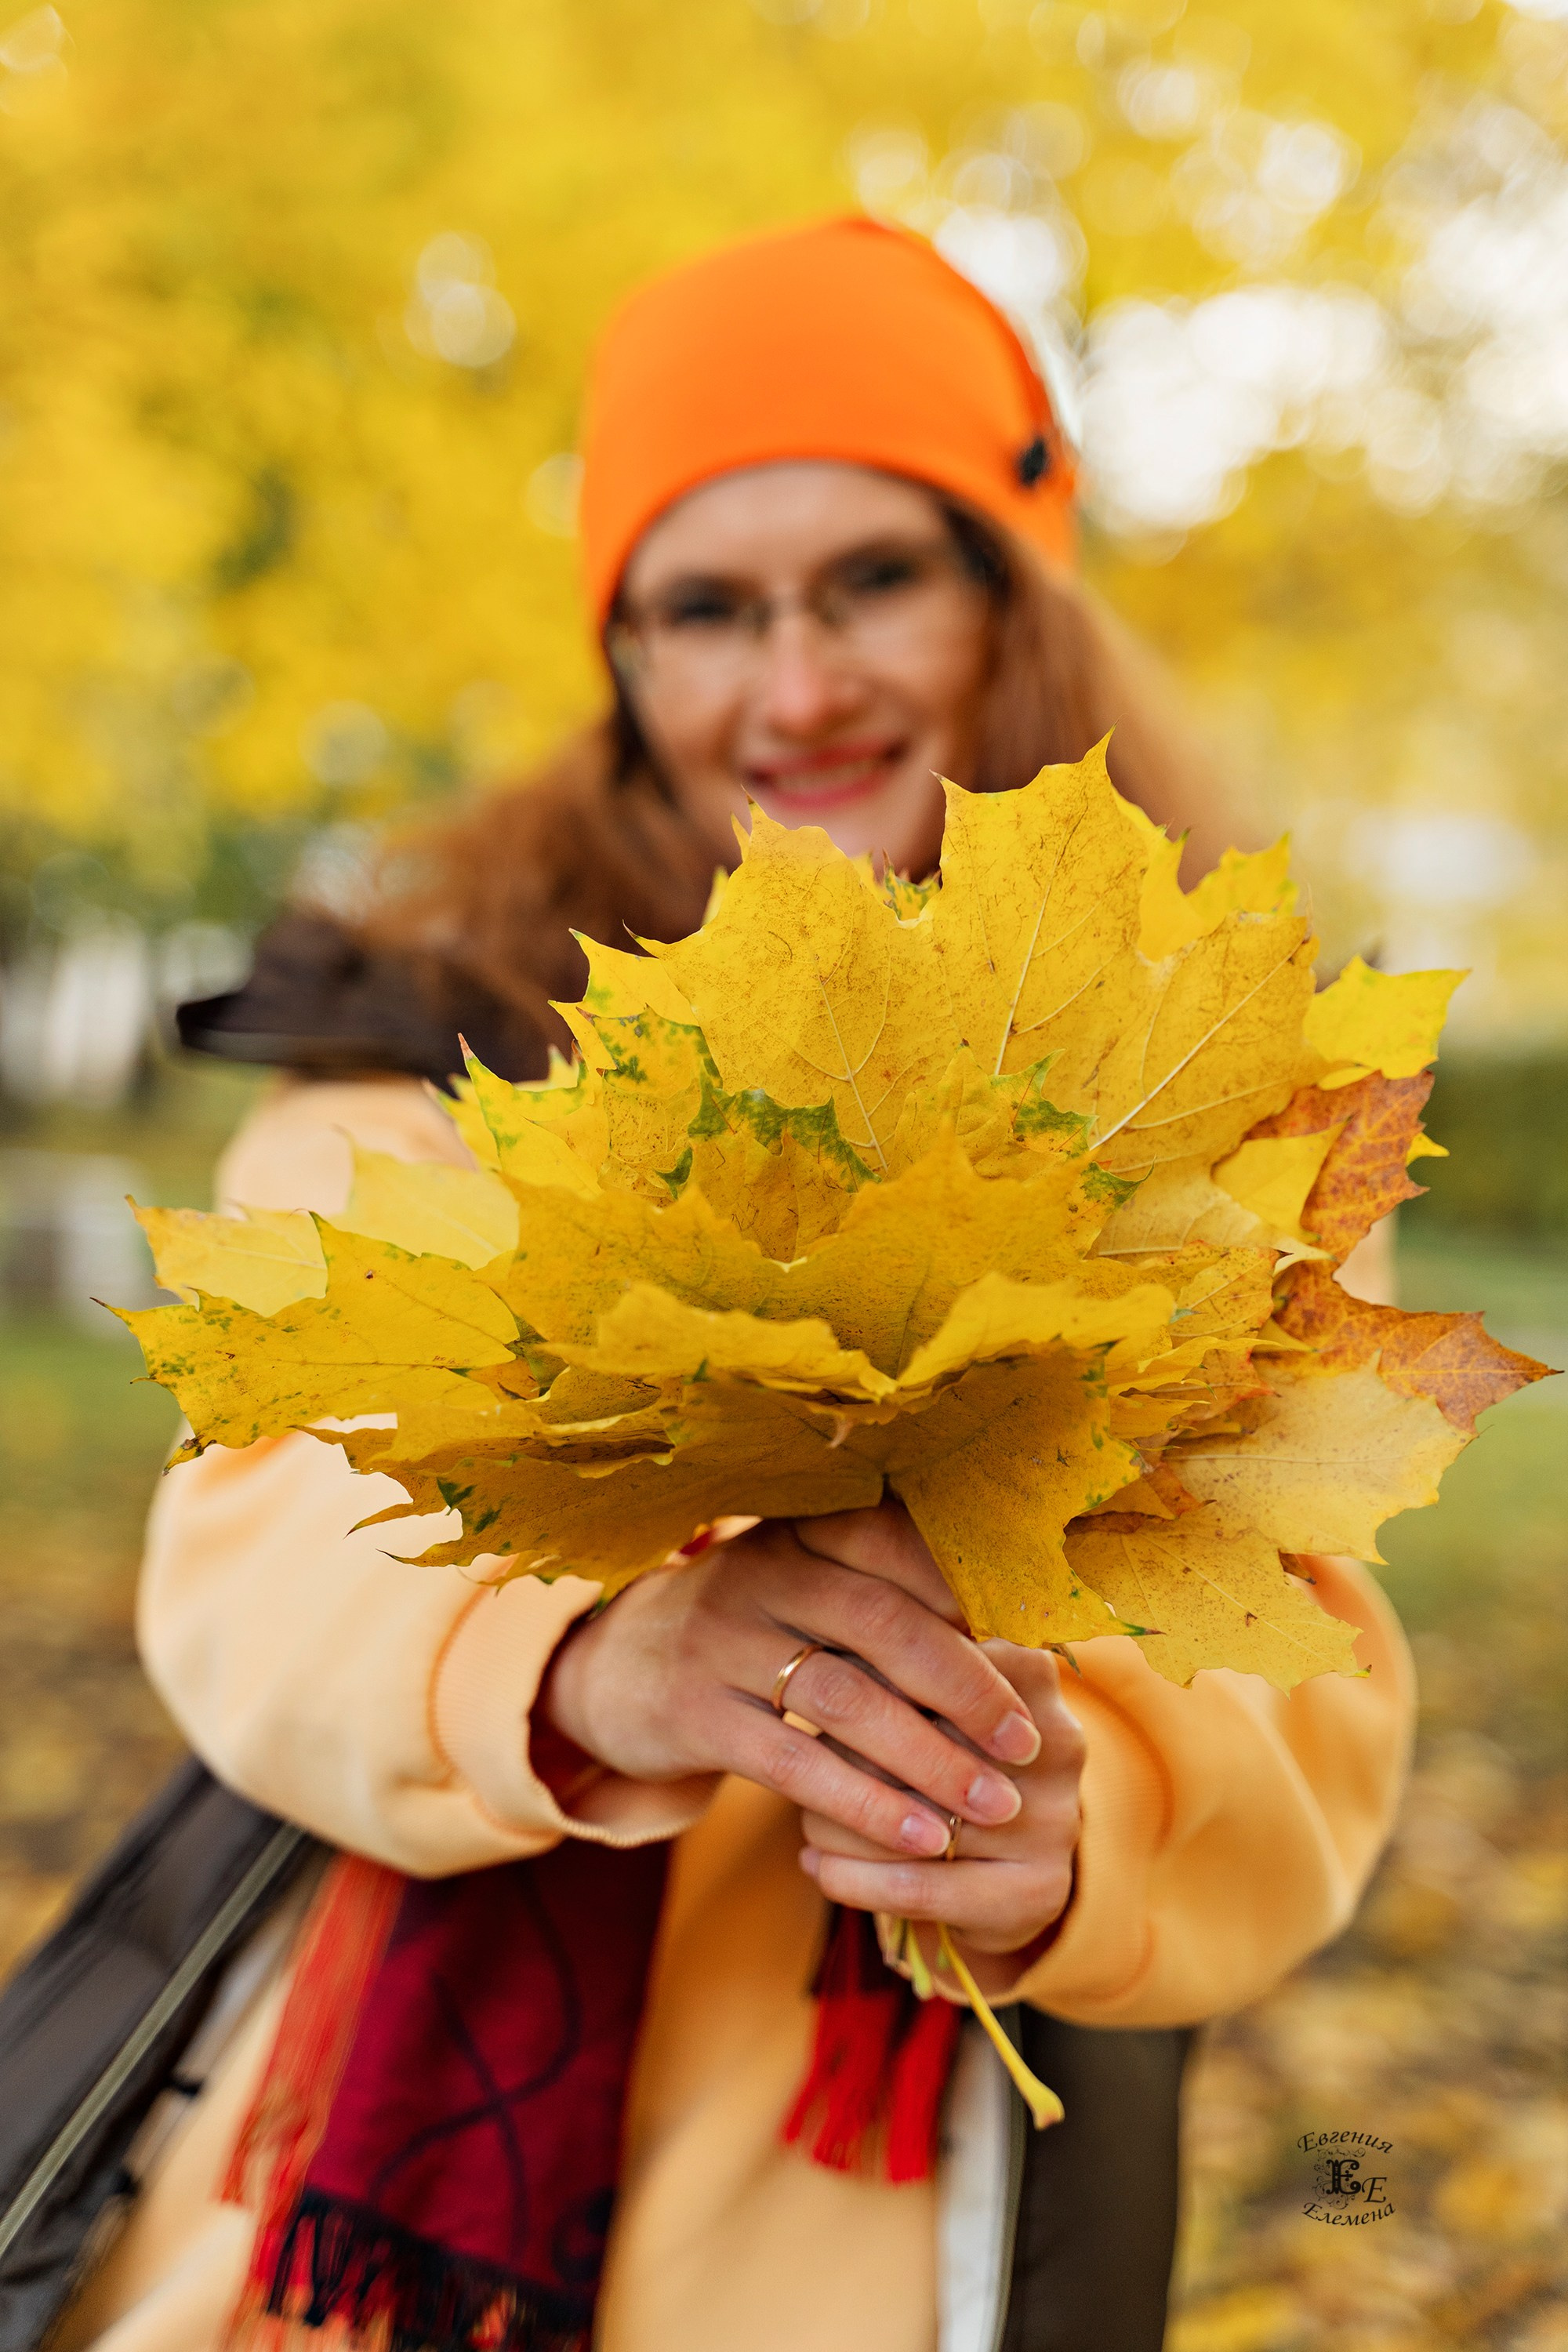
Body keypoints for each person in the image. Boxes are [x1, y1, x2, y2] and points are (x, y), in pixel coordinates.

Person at [43, 219, 1413, 2352]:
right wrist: (587, 1661)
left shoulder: (1216, 1108)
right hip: (338, 2206)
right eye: (708, 608)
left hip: (883, 2222)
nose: (797, 687)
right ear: (626, 661)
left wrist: (1075, 1820)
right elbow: (269, 1538)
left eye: (874, 577)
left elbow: (1291, 1663)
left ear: (1007, 601)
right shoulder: (445, 1044)